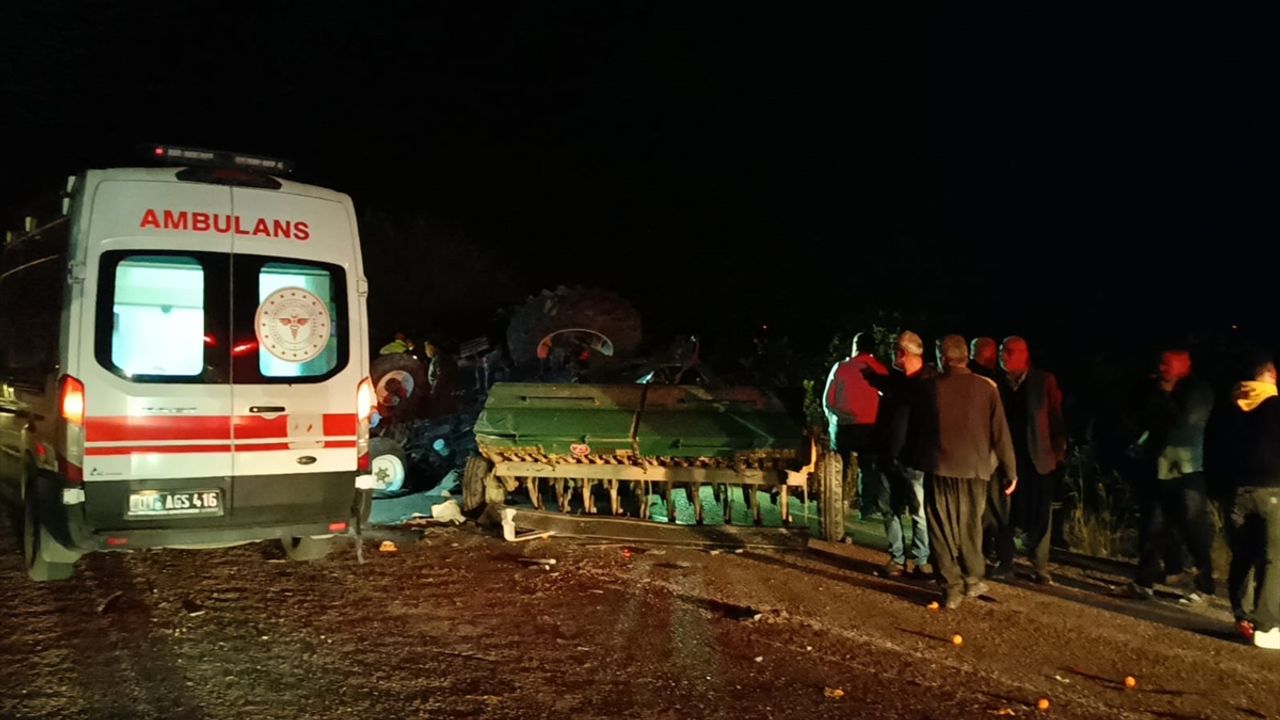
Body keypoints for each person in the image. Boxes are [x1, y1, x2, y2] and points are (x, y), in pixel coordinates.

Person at [915, 335, 1018, 609]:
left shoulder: (929, 388)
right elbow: (1001, 433)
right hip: (975, 469)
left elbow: (919, 430)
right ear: (966, 357)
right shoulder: (987, 388)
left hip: (940, 467)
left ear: (943, 358)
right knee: (971, 525)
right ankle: (973, 576)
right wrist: (1011, 470)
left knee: (941, 529)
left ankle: (951, 586)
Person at [1121, 349, 1216, 602]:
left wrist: (1164, 396)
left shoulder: (1198, 391)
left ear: (1185, 366)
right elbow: (1139, 417)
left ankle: (1205, 586)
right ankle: (1143, 583)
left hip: (1186, 471)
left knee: (1194, 531)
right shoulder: (1157, 389)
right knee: (1152, 527)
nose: (1161, 368)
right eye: (1161, 363)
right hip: (1159, 467)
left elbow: (1182, 423)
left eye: (1167, 364)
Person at [1207, 355, 1280, 647]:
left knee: (1243, 555)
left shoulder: (1228, 407)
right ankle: (1267, 626)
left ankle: (1243, 617)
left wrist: (1217, 487)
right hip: (1272, 490)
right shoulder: (1275, 406)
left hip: (1234, 492)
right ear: (1271, 375)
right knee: (1274, 558)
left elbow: (1213, 446)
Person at [985, 336, 1067, 584]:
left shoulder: (1043, 381)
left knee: (1040, 514)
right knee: (1003, 513)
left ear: (1024, 354)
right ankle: (1005, 561)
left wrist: (1057, 452)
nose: (1003, 355)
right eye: (1002, 351)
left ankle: (1040, 565)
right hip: (1003, 458)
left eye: (1009, 351)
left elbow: (1056, 418)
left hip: (1036, 459)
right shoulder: (995, 383)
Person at [871, 330, 935, 577]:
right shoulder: (894, 381)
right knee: (891, 509)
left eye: (895, 350)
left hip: (916, 460)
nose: (892, 355)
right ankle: (898, 559)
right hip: (890, 457)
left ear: (902, 352)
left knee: (919, 512)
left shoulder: (930, 383)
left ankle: (921, 560)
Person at [823, 332, 889, 516]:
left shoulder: (841, 368)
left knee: (839, 467)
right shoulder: (880, 370)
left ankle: (836, 503)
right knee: (868, 468)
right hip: (870, 426)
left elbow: (828, 400)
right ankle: (867, 506)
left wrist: (832, 419)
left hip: (843, 426)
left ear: (855, 347)